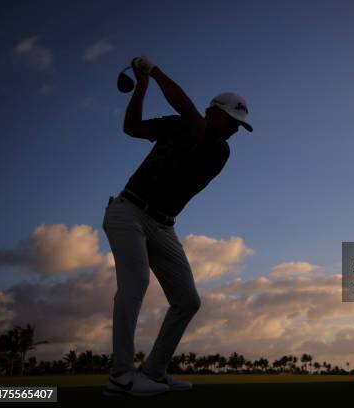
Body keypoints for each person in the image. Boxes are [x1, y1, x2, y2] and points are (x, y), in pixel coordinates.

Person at [102, 56, 253, 397]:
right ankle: (121, 376)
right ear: (212, 111)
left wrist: (154, 72)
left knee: (187, 300)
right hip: (127, 212)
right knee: (136, 282)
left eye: (238, 125)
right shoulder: (181, 123)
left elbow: (187, 111)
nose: (233, 129)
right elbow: (132, 128)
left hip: (163, 226)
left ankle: (154, 372)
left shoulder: (219, 150)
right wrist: (141, 88)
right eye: (230, 120)